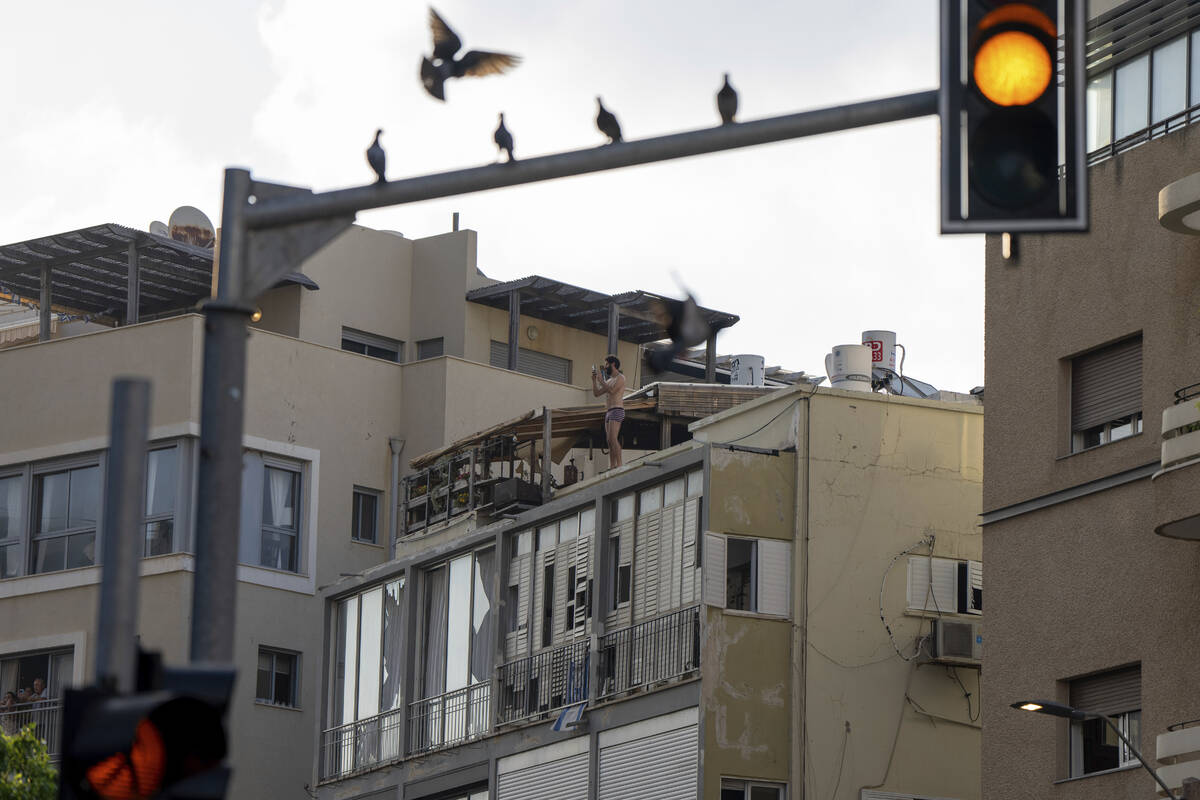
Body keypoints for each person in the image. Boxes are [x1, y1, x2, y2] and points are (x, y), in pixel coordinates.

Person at [591, 354, 626, 470]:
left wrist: (601, 381)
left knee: (613, 438)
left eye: (607, 364)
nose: (605, 367)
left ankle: (619, 464)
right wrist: (594, 381)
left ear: (613, 364)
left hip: (617, 409)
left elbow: (612, 391)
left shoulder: (621, 378)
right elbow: (596, 394)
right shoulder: (609, 380)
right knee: (609, 440)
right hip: (609, 411)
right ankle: (612, 465)